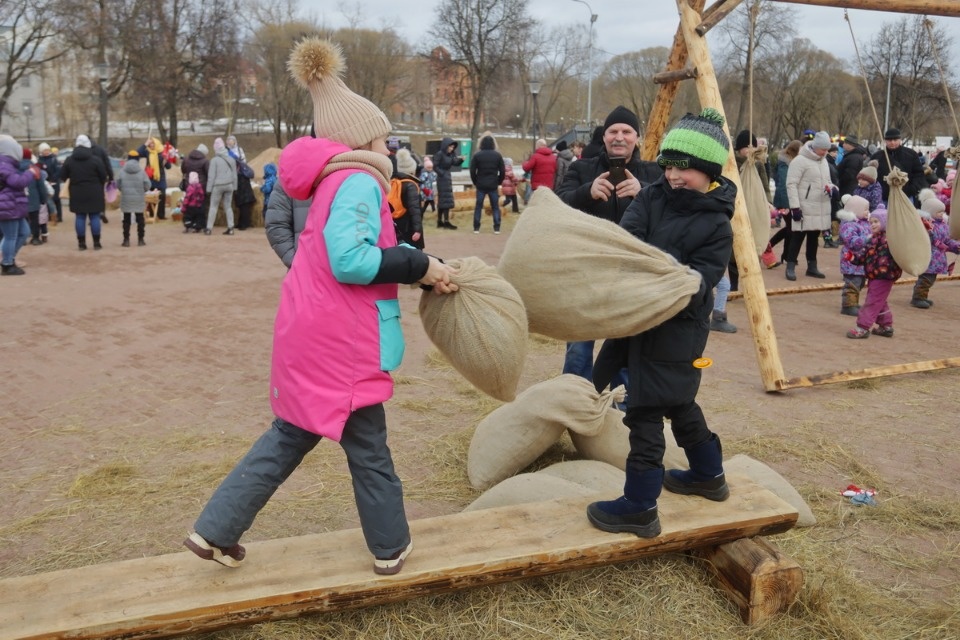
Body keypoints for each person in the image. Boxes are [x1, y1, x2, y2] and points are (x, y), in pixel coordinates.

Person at [184, 36, 458, 575]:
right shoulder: (358, 180)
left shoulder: (333, 180)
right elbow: (353, 260)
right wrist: (418, 267)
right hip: (343, 342)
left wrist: (414, 260)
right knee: (369, 448)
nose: (389, 148)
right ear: (362, 139)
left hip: (311, 331)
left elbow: (352, 250)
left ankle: (214, 529)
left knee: (290, 433)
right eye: (384, 138)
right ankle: (390, 547)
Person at [586, 108, 736, 538]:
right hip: (637, 320)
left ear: (708, 172)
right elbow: (626, 239)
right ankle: (710, 476)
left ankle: (639, 505)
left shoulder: (716, 223)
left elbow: (700, 281)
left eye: (684, 168)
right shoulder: (652, 196)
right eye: (669, 165)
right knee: (679, 403)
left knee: (646, 410)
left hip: (677, 329)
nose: (673, 175)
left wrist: (654, 279)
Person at [555, 105, 662, 387]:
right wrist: (586, 192)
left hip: (631, 275)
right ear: (603, 137)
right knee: (578, 349)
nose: (619, 137)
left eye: (626, 131)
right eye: (613, 131)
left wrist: (645, 193)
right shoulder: (581, 168)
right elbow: (555, 205)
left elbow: (672, 215)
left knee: (625, 351)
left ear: (636, 138)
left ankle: (621, 416)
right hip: (586, 272)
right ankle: (574, 407)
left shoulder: (653, 173)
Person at [784, 131, 834, 280]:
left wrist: (831, 189)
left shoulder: (824, 161)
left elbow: (827, 181)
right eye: (823, 149)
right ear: (815, 147)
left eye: (827, 149)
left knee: (814, 237)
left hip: (820, 205)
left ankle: (812, 266)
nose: (826, 152)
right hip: (804, 205)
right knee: (797, 236)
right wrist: (795, 207)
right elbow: (791, 184)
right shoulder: (799, 161)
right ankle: (790, 265)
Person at [847, 208, 900, 339]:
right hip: (873, 275)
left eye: (876, 221)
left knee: (872, 301)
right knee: (879, 300)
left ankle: (862, 327)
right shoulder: (871, 239)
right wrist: (852, 258)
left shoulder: (893, 239)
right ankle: (886, 326)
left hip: (885, 276)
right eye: (871, 222)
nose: (873, 224)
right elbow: (863, 255)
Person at [0, 134, 41, 275]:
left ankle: (8, 259)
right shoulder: (3, 164)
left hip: (13, 205)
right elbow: (18, 182)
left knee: (24, 232)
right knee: (10, 236)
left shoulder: (8, 164)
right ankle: (7, 264)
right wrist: (30, 173)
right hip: (7, 206)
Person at [912, 191, 960, 308]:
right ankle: (918, 297)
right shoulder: (925, 225)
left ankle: (922, 296)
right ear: (930, 212)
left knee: (931, 278)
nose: (941, 214)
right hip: (928, 256)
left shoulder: (943, 224)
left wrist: (956, 246)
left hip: (937, 257)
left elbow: (947, 239)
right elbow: (925, 239)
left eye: (942, 211)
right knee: (926, 278)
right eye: (939, 212)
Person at [60, 134, 107, 250]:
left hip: (77, 192)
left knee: (80, 217)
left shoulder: (69, 160)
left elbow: (63, 176)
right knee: (95, 217)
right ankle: (96, 243)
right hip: (94, 191)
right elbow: (103, 176)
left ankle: (81, 243)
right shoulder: (96, 160)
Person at [836, 195, 872, 316]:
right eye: (865, 209)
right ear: (856, 210)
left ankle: (853, 302)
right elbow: (852, 242)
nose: (868, 212)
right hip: (851, 261)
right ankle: (848, 305)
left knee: (860, 282)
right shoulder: (848, 225)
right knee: (852, 283)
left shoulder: (865, 223)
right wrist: (867, 239)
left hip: (861, 262)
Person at [870, 128, 926, 204]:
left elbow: (919, 174)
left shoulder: (911, 154)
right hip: (884, 198)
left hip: (905, 196)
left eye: (895, 140)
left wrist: (911, 189)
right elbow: (871, 177)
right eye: (889, 140)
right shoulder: (877, 156)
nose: (892, 142)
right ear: (885, 141)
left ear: (900, 140)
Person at [768, 140, 802, 265]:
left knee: (790, 228)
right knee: (791, 228)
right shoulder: (785, 163)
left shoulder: (790, 162)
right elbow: (783, 184)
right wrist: (787, 205)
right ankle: (772, 247)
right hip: (785, 200)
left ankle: (785, 254)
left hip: (789, 200)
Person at [469, 134, 505, 234]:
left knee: (478, 206)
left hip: (480, 184)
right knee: (495, 206)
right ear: (493, 144)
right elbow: (502, 171)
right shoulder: (497, 155)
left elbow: (472, 171)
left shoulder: (477, 155)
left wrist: (475, 181)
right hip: (493, 184)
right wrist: (499, 181)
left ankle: (476, 227)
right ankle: (496, 227)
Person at [115, 150, 151, 247]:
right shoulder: (141, 172)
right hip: (138, 198)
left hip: (126, 198)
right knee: (140, 219)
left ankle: (126, 240)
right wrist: (142, 190)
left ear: (128, 158)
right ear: (138, 159)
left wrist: (123, 190)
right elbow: (148, 185)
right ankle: (141, 240)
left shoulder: (122, 171)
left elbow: (117, 183)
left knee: (126, 220)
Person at [393, 148, 424, 249]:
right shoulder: (411, 185)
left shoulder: (394, 181)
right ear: (412, 169)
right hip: (409, 227)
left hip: (397, 225)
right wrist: (417, 229)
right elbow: (414, 209)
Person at [204, 137, 237, 235]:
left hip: (218, 186)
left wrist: (208, 189)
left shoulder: (214, 160)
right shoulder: (231, 159)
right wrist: (235, 187)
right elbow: (234, 175)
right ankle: (231, 227)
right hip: (229, 185)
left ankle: (209, 228)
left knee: (213, 206)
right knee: (228, 206)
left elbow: (211, 176)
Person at [136, 137, 172, 220]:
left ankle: (161, 215)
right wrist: (145, 144)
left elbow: (168, 167)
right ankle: (152, 214)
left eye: (153, 143)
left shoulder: (162, 153)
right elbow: (137, 153)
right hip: (150, 178)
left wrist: (166, 160)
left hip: (160, 178)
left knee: (162, 196)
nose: (151, 145)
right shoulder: (147, 152)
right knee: (150, 196)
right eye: (150, 143)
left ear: (156, 144)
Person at [432, 137, 462, 229]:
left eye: (453, 147)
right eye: (450, 147)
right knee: (444, 200)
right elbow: (435, 166)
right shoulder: (440, 154)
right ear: (446, 146)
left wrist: (461, 160)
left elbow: (455, 163)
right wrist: (442, 173)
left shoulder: (450, 155)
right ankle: (445, 221)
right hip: (442, 178)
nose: (451, 149)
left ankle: (441, 221)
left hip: (447, 177)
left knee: (445, 200)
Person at [21, 147, 48, 247]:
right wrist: (43, 199)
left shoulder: (14, 169)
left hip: (19, 199)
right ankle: (35, 238)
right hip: (33, 198)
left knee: (21, 219)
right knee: (34, 219)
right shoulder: (36, 170)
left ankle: (22, 238)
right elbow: (41, 187)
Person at [179, 143, 210, 230]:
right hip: (201, 186)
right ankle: (199, 223)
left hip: (189, 186)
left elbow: (183, 170)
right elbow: (208, 173)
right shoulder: (205, 161)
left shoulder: (186, 159)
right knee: (200, 205)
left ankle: (188, 222)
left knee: (188, 203)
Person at [36, 142, 62, 223]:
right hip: (45, 182)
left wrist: (53, 180)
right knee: (47, 199)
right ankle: (50, 215)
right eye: (45, 150)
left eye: (47, 150)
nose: (46, 152)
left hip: (54, 182)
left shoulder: (53, 159)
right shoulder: (39, 160)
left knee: (56, 199)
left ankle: (59, 216)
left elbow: (58, 171)